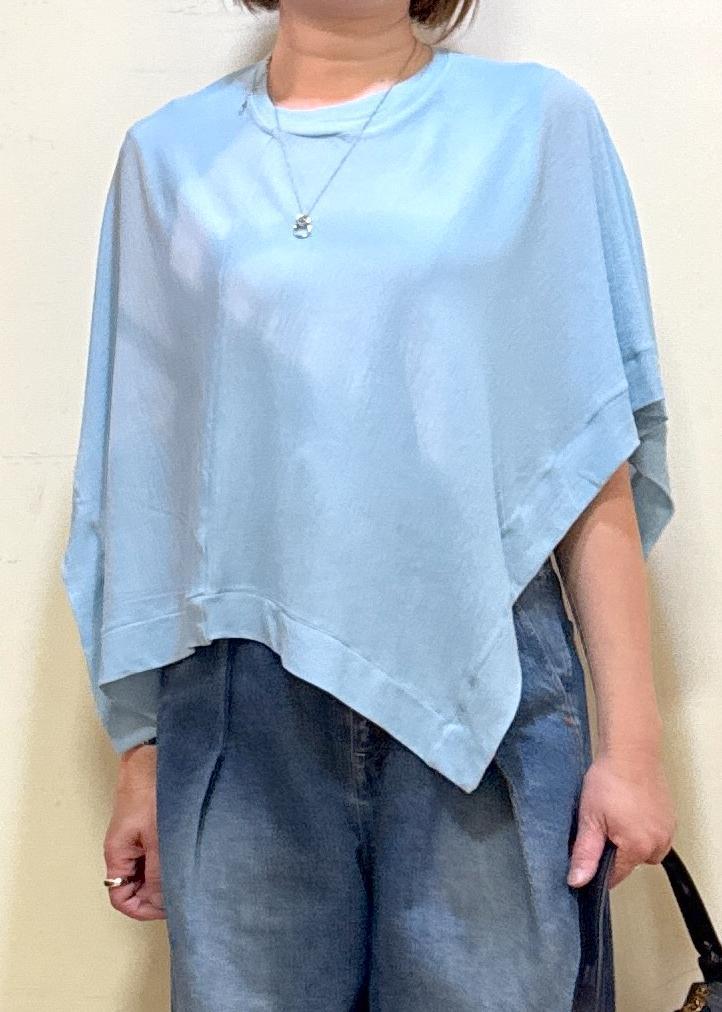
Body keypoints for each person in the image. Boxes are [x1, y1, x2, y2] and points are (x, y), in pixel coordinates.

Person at [61, 0, 678, 1008]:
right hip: (239, 697)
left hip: (486, 679)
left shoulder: (534, 128)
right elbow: (139, 478)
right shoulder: (167, 160)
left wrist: (633, 746)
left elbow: (587, 448)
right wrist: (140, 748)